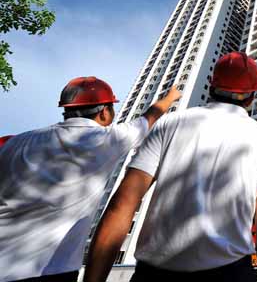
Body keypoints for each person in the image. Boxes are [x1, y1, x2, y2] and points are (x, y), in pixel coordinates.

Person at [84, 52, 257, 282]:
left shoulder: (170, 123)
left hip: (155, 275)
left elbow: (122, 206)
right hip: (231, 274)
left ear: (211, 86)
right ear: (251, 96)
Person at [0, 76, 181, 282]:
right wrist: (172, 96)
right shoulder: (106, 140)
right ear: (104, 111)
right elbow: (150, 116)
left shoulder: (15, 142)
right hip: (50, 270)